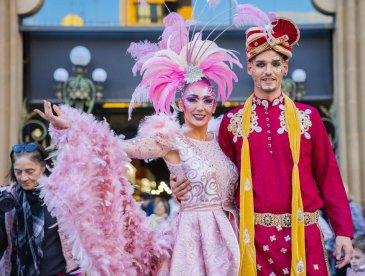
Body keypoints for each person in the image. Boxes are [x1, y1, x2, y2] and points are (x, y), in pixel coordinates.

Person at [35, 10, 242, 275]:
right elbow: (120, 145)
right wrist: (75, 124)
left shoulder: (224, 137)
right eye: (192, 99)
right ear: (181, 103)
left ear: (215, 105)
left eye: (207, 100)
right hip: (192, 241)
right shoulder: (170, 140)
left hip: (231, 233)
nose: (200, 107)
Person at [172, 12, 354, 276]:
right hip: (252, 240)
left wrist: (344, 231)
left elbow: (328, 177)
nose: (268, 71)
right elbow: (215, 174)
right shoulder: (231, 122)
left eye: (275, 63)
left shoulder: (309, 117)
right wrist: (181, 186)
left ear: (285, 68)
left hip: (305, 236)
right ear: (250, 68)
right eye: (260, 64)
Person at [0, 143, 78, 276]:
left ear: (43, 167)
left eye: (30, 171)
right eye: (18, 172)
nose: (23, 178)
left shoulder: (62, 197)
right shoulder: (7, 198)